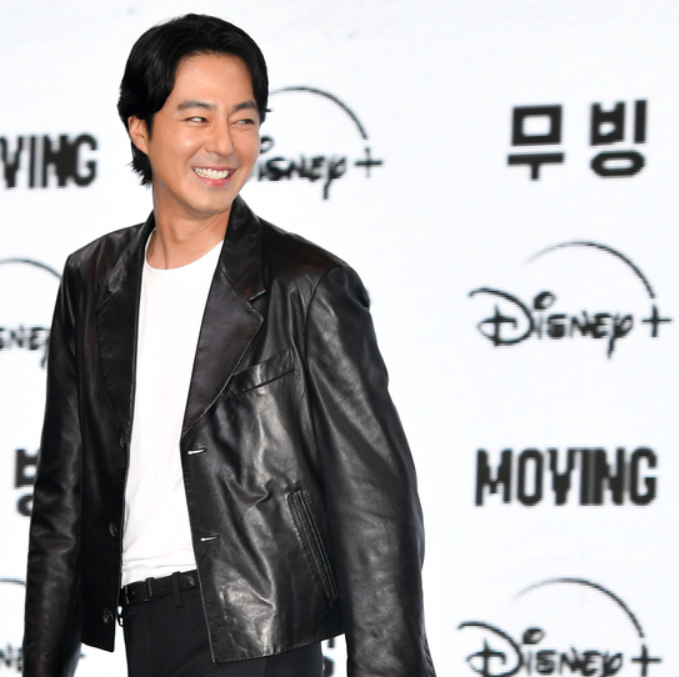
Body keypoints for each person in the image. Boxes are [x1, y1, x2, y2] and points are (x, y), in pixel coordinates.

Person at [23, 13, 434, 677]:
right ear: (139, 128)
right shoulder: (92, 279)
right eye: (197, 117)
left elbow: (374, 507)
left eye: (244, 120)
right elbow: (62, 500)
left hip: (260, 632)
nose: (224, 144)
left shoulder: (306, 284)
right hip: (143, 626)